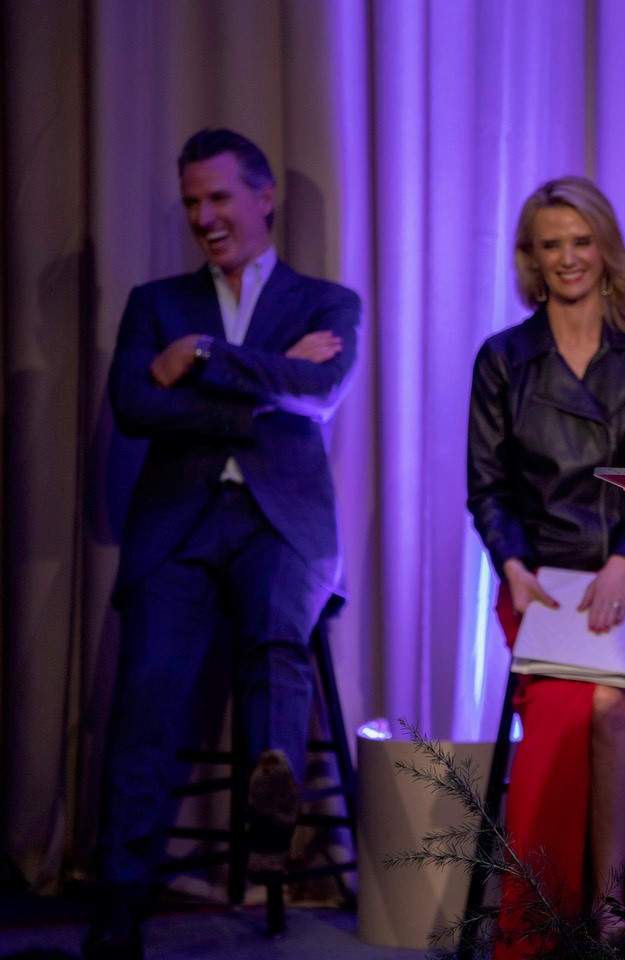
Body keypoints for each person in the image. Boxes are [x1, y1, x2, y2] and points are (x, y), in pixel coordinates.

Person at [85, 129, 360, 960]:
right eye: (192, 201)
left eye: (219, 198)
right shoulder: (154, 301)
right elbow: (136, 405)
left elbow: (318, 391)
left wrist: (205, 355)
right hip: (179, 521)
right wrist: (265, 384)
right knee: (146, 704)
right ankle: (117, 912)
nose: (204, 216)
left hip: (284, 523)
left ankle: (269, 819)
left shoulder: (326, 301)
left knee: (277, 645)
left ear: (263, 196)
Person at [466, 176, 625, 955]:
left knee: (602, 707)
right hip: (538, 581)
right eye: (550, 245)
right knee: (576, 714)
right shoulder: (502, 360)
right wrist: (513, 567)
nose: (567, 258)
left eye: (580, 241)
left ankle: (606, 910)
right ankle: (539, 924)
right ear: (531, 257)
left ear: (605, 248)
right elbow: (485, 488)